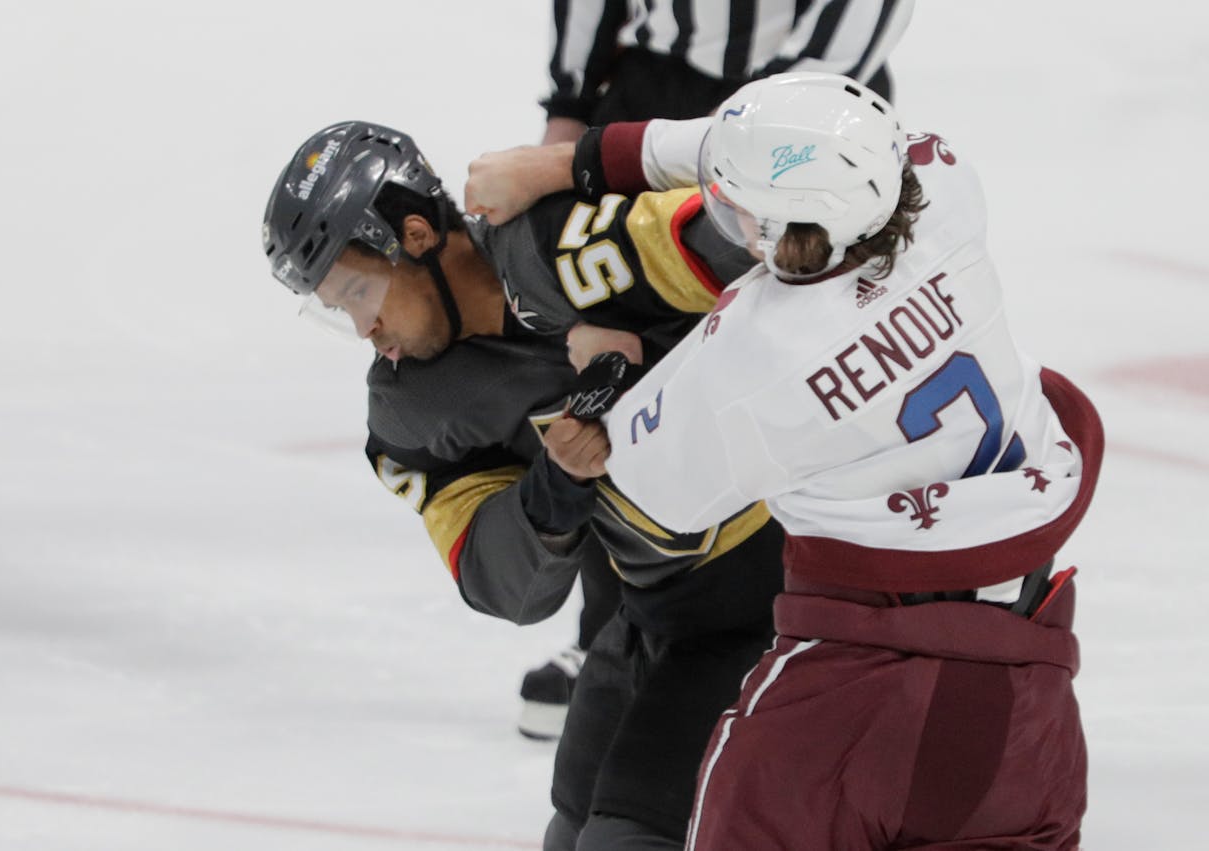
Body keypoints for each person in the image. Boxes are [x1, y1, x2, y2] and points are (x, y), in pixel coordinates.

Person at [467, 72, 1104, 849]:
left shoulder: (750, 359)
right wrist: (571, 164)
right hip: (1026, 683)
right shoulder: (944, 190)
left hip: (847, 701)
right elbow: (770, 152)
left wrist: (604, 356)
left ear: (774, 228)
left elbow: (633, 488)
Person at [260, 121, 783, 850]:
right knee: (570, 830)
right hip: (659, 616)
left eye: (358, 290)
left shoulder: (564, 246)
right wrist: (556, 485)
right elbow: (507, 585)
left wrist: (582, 166)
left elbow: (782, 215)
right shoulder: (413, 410)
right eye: (336, 307)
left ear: (415, 234)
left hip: (792, 597)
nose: (364, 329)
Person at [526, 0, 919, 731]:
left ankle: (799, 628)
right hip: (652, 95)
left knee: (796, 367)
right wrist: (570, 105)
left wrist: (776, 140)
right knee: (622, 369)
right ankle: (614, 639)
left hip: (811, 118)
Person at [541, 0, 917, 145]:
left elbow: (849, 30)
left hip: (807, 104)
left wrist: (743, 118)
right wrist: (569, 106)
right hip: (653, 86)